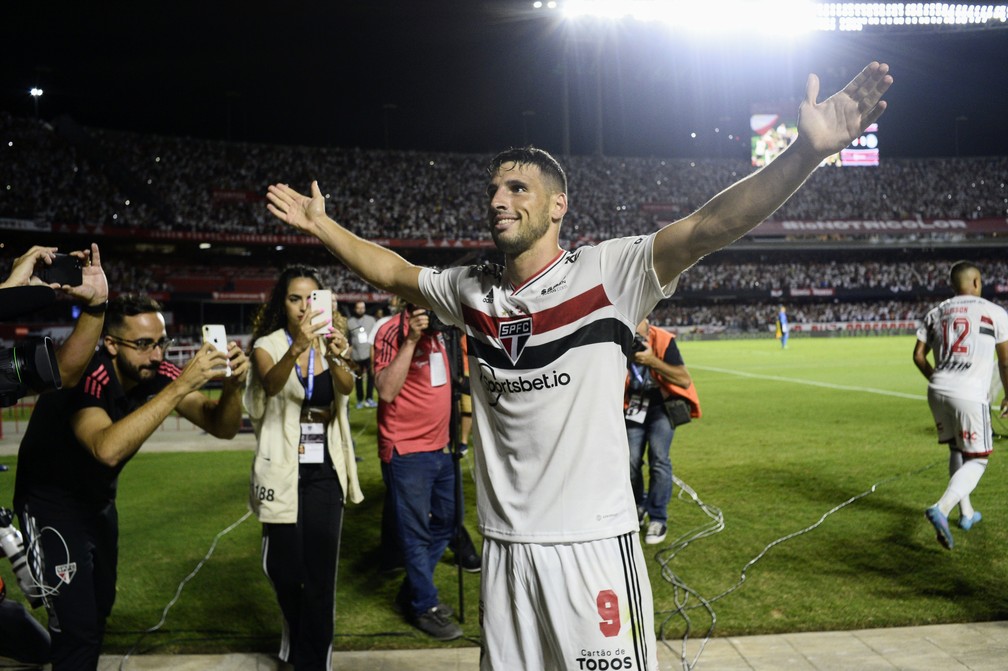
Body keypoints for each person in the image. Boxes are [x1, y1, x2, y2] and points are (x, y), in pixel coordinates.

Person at [265, 61, 892, 669]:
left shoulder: (609, 273)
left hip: (591, 546)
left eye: (517, 188)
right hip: (506, 551)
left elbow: (709, 226)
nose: (498, 200)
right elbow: (392, 270)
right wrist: (323, 227)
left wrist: (804, 154)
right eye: (493, 190)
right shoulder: (469, 291)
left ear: (558, 205)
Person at [13, 293, 248, 670]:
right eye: (143, 345)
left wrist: (233, 387)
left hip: (98, 505)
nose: (157, 356)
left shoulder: (155, 374)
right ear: (110, 343)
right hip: (50, 507)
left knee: (99, 609)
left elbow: (221, 427)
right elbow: (105, 448)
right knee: (77, 631)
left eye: (161, 343)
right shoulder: (88, 373)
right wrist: (178, 388)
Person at [243, 265, 363, 669]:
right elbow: (271, 384)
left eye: (311, 298)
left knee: (320, 576)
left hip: (324, 469)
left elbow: (347, 387)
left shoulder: (332, 341)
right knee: (283, 566)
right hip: (283, 469)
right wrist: (297, 347)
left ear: (323, 302)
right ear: (283, 302)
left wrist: (335, 353)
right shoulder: (269, 344)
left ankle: (313, 662)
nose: (302, 306)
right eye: (294, 298)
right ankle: (297, 640)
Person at [373, 303, 463, 640]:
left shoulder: (439, 333)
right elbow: (385, 390)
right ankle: (424, 605)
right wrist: (409, 340)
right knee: (415, 534)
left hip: (440, 448)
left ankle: (412, 590)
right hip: (406, 451)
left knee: (448, 521)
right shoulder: (391, 331)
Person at [913, 261, 1008, 550]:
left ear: (953, 285)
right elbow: (1005, 361)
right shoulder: (994, 312)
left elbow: (918, 356)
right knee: (978, 459)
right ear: (977, 282)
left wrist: (939, 380)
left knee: (957, 448)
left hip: (937, 389)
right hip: (969, 393)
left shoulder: (935, 311)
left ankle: (966, 512)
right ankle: (941, 508)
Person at [624, 317, 701, 545]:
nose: (636, 340)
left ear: (647, 325)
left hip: (661, 406)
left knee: (659, 458)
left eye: (639, 336)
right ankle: (638, 505)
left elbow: (684, 380)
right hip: (633, 406)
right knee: (630, 460)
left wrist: (652, 361)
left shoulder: (664, 340)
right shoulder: (619, 340)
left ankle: (658, 516)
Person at [346, 300, 377, 408]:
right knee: (358, 378)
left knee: (370, 377)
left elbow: (375, 337)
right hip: (356, 355)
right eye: (358, 308)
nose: (360, 310)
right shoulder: (350, 322)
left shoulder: (371, 320)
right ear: (355, 309)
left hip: (369, 353)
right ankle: (360, 400)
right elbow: (348, 338)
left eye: (362, 307)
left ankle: (369, 398)